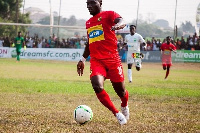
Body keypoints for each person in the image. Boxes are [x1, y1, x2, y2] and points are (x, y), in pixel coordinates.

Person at [77, 0, 129, 125]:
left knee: (120, 91)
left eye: (92, 3)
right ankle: (117, 113)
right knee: (97, 85)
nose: (89, 6)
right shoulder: (89, 23)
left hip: (113, 60)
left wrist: (119, 25)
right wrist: (82, 59)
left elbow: (121, 21)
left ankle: (124, 105)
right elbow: (90, 43)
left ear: (100, 2)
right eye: (87, 4)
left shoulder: (109, 14)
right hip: (96, 61)